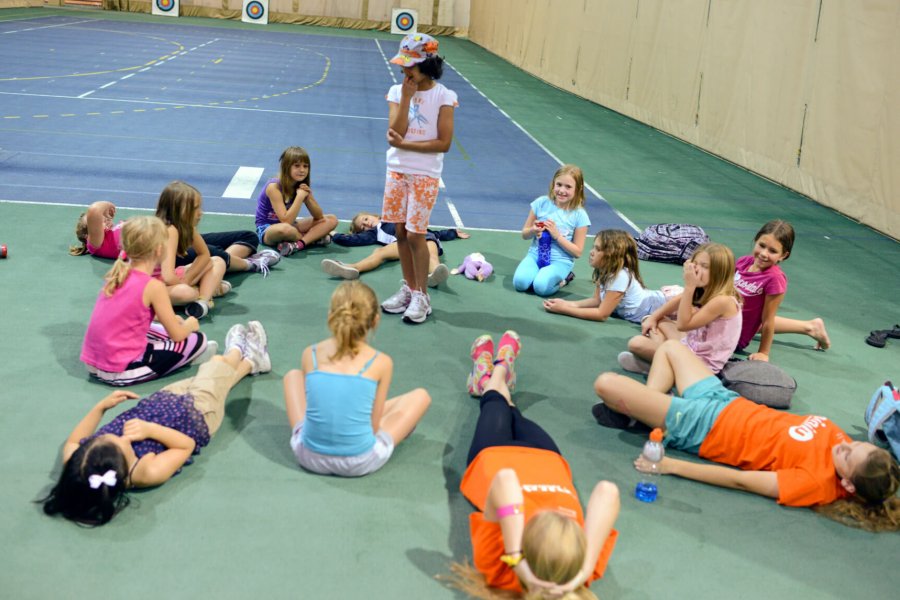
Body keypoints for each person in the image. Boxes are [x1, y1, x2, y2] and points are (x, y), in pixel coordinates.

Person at [592, 339, 900, 532]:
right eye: (856, 444)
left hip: (704, 427)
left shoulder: (815, 484)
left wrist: (671, 466)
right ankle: (645, 413)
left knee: (606, 383)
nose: (846, 444)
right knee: (671, 348)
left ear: (846, 482)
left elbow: (740, 480)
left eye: (848, 455)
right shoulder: (841, 442)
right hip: (727, 402)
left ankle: (649, 410)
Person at [448, 330, 620, 599]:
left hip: (493, 454)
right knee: (511, 409)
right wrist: (585, 568)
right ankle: (495, 375)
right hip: (546, 457)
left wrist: (515, 557)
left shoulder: (501, 570)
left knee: (494, 403)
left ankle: (496, 370)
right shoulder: (570, 571)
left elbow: (505, 480)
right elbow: (608, 492)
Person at [46, 321, 271, 526]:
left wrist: (100, 408)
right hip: (198, 415)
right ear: (122, 463)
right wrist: (150, 430)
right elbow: (186, 446)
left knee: (218, 381)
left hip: (165, 401)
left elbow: (74, 441)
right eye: (118, 441)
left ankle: (252, 362)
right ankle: (237, 351)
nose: (113, 434)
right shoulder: (144, 472)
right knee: (217, 363)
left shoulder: (81, 463)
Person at [283, 281, 431, 476]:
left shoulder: (309, 354)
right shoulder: (381, 362)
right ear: (375, 321)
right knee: (421, 396)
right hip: (359, 461)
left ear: (331, 316)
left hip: (309, 457)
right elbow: (374, 427)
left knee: (293, 376)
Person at [379, 33, 458, 324]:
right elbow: (395, 132)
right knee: (399, 231)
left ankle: (422, 296)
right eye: (403, 66)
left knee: (415, 234)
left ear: (428, 64)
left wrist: (406, 145)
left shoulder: (444, 96)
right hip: (397, 170)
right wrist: (407, 98)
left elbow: (444, 143)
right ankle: (409, 288)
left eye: (410, 66)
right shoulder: (397, 91)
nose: (405, 71)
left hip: (425, 174)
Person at [81, 216, 211, 387]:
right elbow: (178, 335)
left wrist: (173, 321)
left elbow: (134, 315)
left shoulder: (118, 273)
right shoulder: (154, 286)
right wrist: (191, 324)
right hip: (120, 371)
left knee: (160, 328)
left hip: (92, 363)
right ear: (159, 250)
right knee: (197, 340)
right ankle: (189, 354)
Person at [618, 242, 741, 375]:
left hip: (702, 366)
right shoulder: (705, 289)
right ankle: (659, 365)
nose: (696, 270)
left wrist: (689, 286)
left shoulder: (723, 301)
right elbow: (679, 299)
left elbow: (683, 325)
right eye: (695, 264)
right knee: (657, 320)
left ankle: (659, 367)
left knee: (637, 343)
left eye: (705, 266)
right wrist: (653, 318)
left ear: (720, 273)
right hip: (690, 346)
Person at [734, 220, 830, 360]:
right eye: (762, 245)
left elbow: (768, 320)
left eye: (773, 251)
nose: (764, 254)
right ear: (756, 240)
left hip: (734, 335)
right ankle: (810, 327)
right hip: (731, 319)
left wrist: (763, 352)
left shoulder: (774, 279)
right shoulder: (743, 262)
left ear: (783, 255)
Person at [543, 229, 681, 323]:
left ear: (611, 256)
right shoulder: (604, 269)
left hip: (668, 306)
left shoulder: (619, 276)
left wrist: (564, 310)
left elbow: (602, 314)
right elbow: (597, 301)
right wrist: (568, 303)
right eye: (593, 247)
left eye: (597, 249)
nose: (591, 252)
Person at [320, 210, 469, 287]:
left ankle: (434, 275)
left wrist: (453, 232)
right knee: (380, 252)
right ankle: (352, 268)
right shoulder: (375, 232)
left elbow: (435, 232)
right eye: (362, 227)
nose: (366, 224)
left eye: (365, 219)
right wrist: (333, 233)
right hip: (404, 244)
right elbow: (352, 240)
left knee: (432, 255)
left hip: (424, 236)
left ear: (373, 215)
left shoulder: (392, 217)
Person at [513, 164, 590, 297]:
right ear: (553, 184)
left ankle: (564, 279)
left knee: (540, 288)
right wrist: (533, 230)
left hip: (560, 261)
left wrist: (557, 236)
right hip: (534, 256)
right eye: (559, 184)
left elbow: (577, 252)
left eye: (568, 187)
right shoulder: (541, 203)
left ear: (578, 189)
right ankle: (538, 275)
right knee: (520, 284)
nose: (562, 190)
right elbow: (524, 234)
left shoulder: (580, 215)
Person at [155, 181, 229, 318]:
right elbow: (167, 276)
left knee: (217, 261)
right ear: (180, 211)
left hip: (168, 282)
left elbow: (204, 255)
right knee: (186, 292)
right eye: (195, 208)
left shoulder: (186, 227)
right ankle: (206, 292)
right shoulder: (169, 230)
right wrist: (187, 285)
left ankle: (202, 303)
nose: (200, 213)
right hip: (149, 288)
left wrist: (188, 278)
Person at [255, 146, 339, 256]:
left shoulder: (299, 185)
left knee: (331, 219)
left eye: (305, 166)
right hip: (268, 229)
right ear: (286, 167)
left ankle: (298, 244)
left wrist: (308, 197)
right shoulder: (274, 187)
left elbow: (319, 216)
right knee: (286, 229)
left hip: (292, 225)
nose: (302, 170)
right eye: (297, 166)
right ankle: (314, 238)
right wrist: (299, 197)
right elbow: (286, 221)